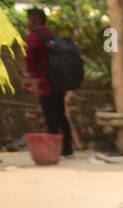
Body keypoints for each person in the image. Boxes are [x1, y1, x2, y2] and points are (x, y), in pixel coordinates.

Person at [23, 7, 73, 158]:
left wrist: (31, 79)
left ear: (34, 19)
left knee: (50, 117)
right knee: (61, 115)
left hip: (45, 83)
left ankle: (53, 149)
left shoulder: (33, 37)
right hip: (59, 82)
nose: (28, 23)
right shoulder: (51, 34)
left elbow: (30, 60)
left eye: (29, 19)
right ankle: (67, 148)